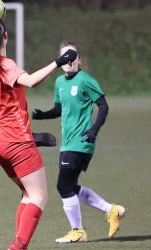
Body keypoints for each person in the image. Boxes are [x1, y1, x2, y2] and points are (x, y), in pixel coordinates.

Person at [0, 17, 77, 250]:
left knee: (28, 194)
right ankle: (17, 247)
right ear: (6, 37)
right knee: (39, 197)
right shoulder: (5, 65)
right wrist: (59, 61)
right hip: (16, 142)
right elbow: (31, 81)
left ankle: (18, 244)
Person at [32, 41, 125, 243]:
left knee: (63, 185)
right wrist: (42, 115)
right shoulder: (59, 82)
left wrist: (94, 130)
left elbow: (103, 106)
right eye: (64, 56)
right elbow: (58, 110)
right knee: (71, 187)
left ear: (79, 59)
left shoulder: (85, 80)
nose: (68, 60)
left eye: (72, 55)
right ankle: (112, 210)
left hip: (82, 141)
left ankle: (78, 231)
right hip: (67, 143)